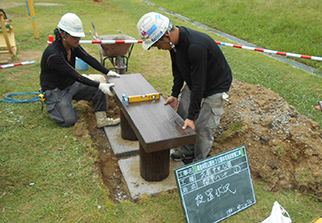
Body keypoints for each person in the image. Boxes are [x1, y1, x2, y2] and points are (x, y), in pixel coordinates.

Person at [137, 12, 232, 162]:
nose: (157, 48)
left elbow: (199, 85)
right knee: (182, 115)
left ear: (166, 37)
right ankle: (187, 151)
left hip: (215, 85)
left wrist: (192, 116)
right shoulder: (174, 45)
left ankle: (199, 162)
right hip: (196, 80)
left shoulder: (195, 47)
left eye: (156, 44)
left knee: (203, 128)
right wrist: (175, 94)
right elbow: (178, 70)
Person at [40, 12, 120, 128]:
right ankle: (57, 103)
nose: (78, 39)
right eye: (74, 36)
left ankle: (102, 120)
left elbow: (88, 58)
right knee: (68, 120)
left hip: (71, 84)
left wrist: (107, 71)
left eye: (79, 36)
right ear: (63, 34)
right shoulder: (53, 55)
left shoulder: (73, 46)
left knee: (98, 89)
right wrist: (99, 85)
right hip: (56, 90)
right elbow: (75, 75)